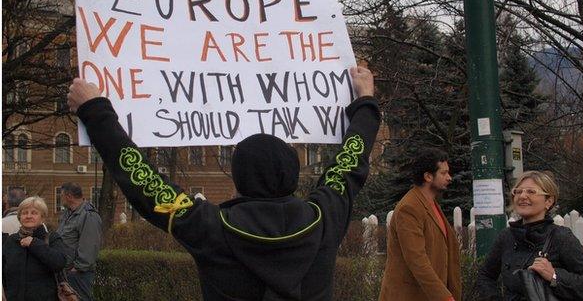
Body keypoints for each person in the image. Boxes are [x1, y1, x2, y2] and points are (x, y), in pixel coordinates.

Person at [67, 65, 380, 300]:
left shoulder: (211, 227)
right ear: (292, 174)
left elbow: (142, 181)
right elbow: (351, 161)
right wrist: (365, 100)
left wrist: (95, 110)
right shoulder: (324, 217)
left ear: (239, 177)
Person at [477, 170, 583, 300]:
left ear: (548, 201)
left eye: (531, 192)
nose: (522, 196)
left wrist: (554, 276)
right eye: (518, 191)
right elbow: (485, 276)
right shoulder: (507, 236)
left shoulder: (561, 237)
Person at [379, 148, 461, 301]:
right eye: (443, 173)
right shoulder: (409, 208)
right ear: (428, 176)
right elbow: (417, 260)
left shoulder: (431, 204)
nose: (449, 177)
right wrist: (444, 297)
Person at [2, 196, 68, 300]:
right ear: (19, 217)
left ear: (42, 217)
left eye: (34, 213)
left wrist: (34, 244)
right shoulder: (11, 241)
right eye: (24, 213)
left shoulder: (52, 238)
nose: (28, 216)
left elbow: (60, 262)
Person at [57, 182, 102, 301]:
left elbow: (90, 246)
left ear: (69, 196)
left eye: (61, 195)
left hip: (78, 274)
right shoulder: (68, 213)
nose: (60, 199)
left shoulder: (88, 215)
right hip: (65, 271)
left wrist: (77, 268)